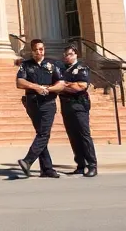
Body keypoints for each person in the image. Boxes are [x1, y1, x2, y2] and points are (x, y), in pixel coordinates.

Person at [15, 38, 64, 179]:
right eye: (36, 50)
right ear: (32, 51)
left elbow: (61, 84)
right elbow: (19, 82)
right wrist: (36, 87)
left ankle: (28, 161)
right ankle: (47, 169)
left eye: (41, 49)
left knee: (43, 134)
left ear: (44, 49)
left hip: (48, 103)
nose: (39, 52)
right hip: (32, 103)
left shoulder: (52, 64)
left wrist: (48, 89)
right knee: (41, 134)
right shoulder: (26, 65)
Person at [58, 44, 98, 177]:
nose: (67, 57)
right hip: (66, 106)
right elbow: (59, 85)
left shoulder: (81, 68)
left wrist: (64, 85)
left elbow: (81, 86)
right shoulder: (63, 70)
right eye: (65, 55)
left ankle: (92, 165)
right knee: (73, 136)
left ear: (75, 54)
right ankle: (80, 164)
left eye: (69, 54)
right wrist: (67, 85)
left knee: (84, 135)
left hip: (79, 105)